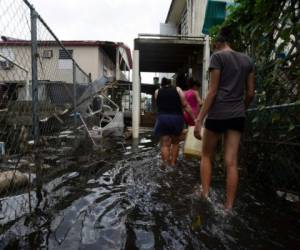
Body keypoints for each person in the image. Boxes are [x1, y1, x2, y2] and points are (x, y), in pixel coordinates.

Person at [194, 26, 255, 210]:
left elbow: (212, 92)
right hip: (237, 115)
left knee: (206, 155)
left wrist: (199, 120)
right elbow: (251, 93)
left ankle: (205, 195)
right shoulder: (248, 60)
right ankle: (228, 208)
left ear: (219, 43)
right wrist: (240, 109)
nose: (213, 49)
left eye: (213, 46)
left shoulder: (218, 57)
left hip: (218, 113)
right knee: (232, 162)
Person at [154, 77, 195, 166]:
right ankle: (173, 164)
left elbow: (158, 104)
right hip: (176, 118)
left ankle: (166, 165)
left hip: (162, 119)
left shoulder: (157, 91)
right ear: (171, 83)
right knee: (175, 142)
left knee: (165, 144)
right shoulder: (178, 89)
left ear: (162, 84)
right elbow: (185, 105)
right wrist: (194, 118)